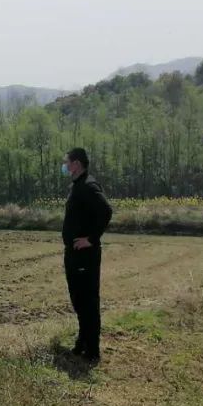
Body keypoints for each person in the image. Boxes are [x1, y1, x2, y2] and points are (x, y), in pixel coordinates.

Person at [61, 147, 113, 362]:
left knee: (88, 302)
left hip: (85, 256)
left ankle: (92, 351)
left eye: (67, 162)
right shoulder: (77, 186)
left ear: (76, 164)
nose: (64, 165)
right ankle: (82, 342)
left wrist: (90, 239)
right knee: (79, 300)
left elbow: (106, 211)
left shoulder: (88, 186)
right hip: (74, 255)